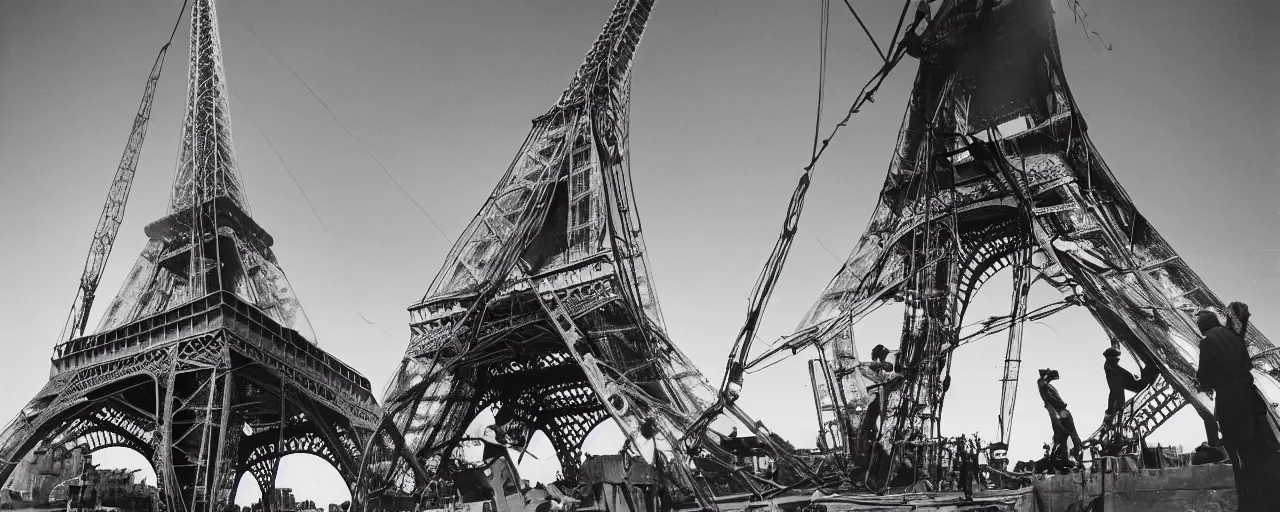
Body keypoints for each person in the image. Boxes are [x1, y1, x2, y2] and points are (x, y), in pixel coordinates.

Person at [1195, 307, 1280, 511]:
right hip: (1251, 398)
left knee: (1239, 456)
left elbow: (1204, 375)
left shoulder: (1207, 340)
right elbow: (1247, 364)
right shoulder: (1233, 337)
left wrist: (1204, 382)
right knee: (1263, 449)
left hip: (1230, 402)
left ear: (1202, 326)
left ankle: (1250, 504)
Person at [1103, 346, 1158, 433]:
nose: (1117, 360)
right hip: (1123, 390)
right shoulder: (1111, 366)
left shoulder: (1111, 366)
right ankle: (1152, 368)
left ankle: (1151, 369)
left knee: (1116, 410)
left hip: (1124, 389)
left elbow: (1125, 375)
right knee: (1117, 411)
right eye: (1116, 358)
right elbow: (1124, 375)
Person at [1037, 369, 1083, 468]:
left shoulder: (1045, 386)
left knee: (1063, 436)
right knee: (1067, 435)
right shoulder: (1044, 386)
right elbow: (1051, 397)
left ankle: (1071, 454)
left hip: (1058, 413)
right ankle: (1073, 453)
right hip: (1059, 412)